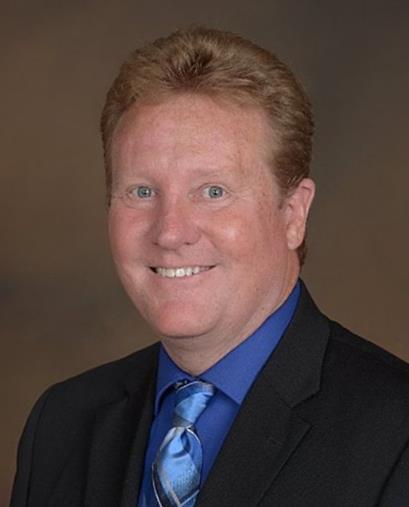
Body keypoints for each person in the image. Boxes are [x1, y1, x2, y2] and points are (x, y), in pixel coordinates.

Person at [10, 27, 409, 507]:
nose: (170, 231)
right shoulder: (63, 423)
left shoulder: (396, 434)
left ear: (293, 214)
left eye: (213, 191)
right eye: (142, 191)